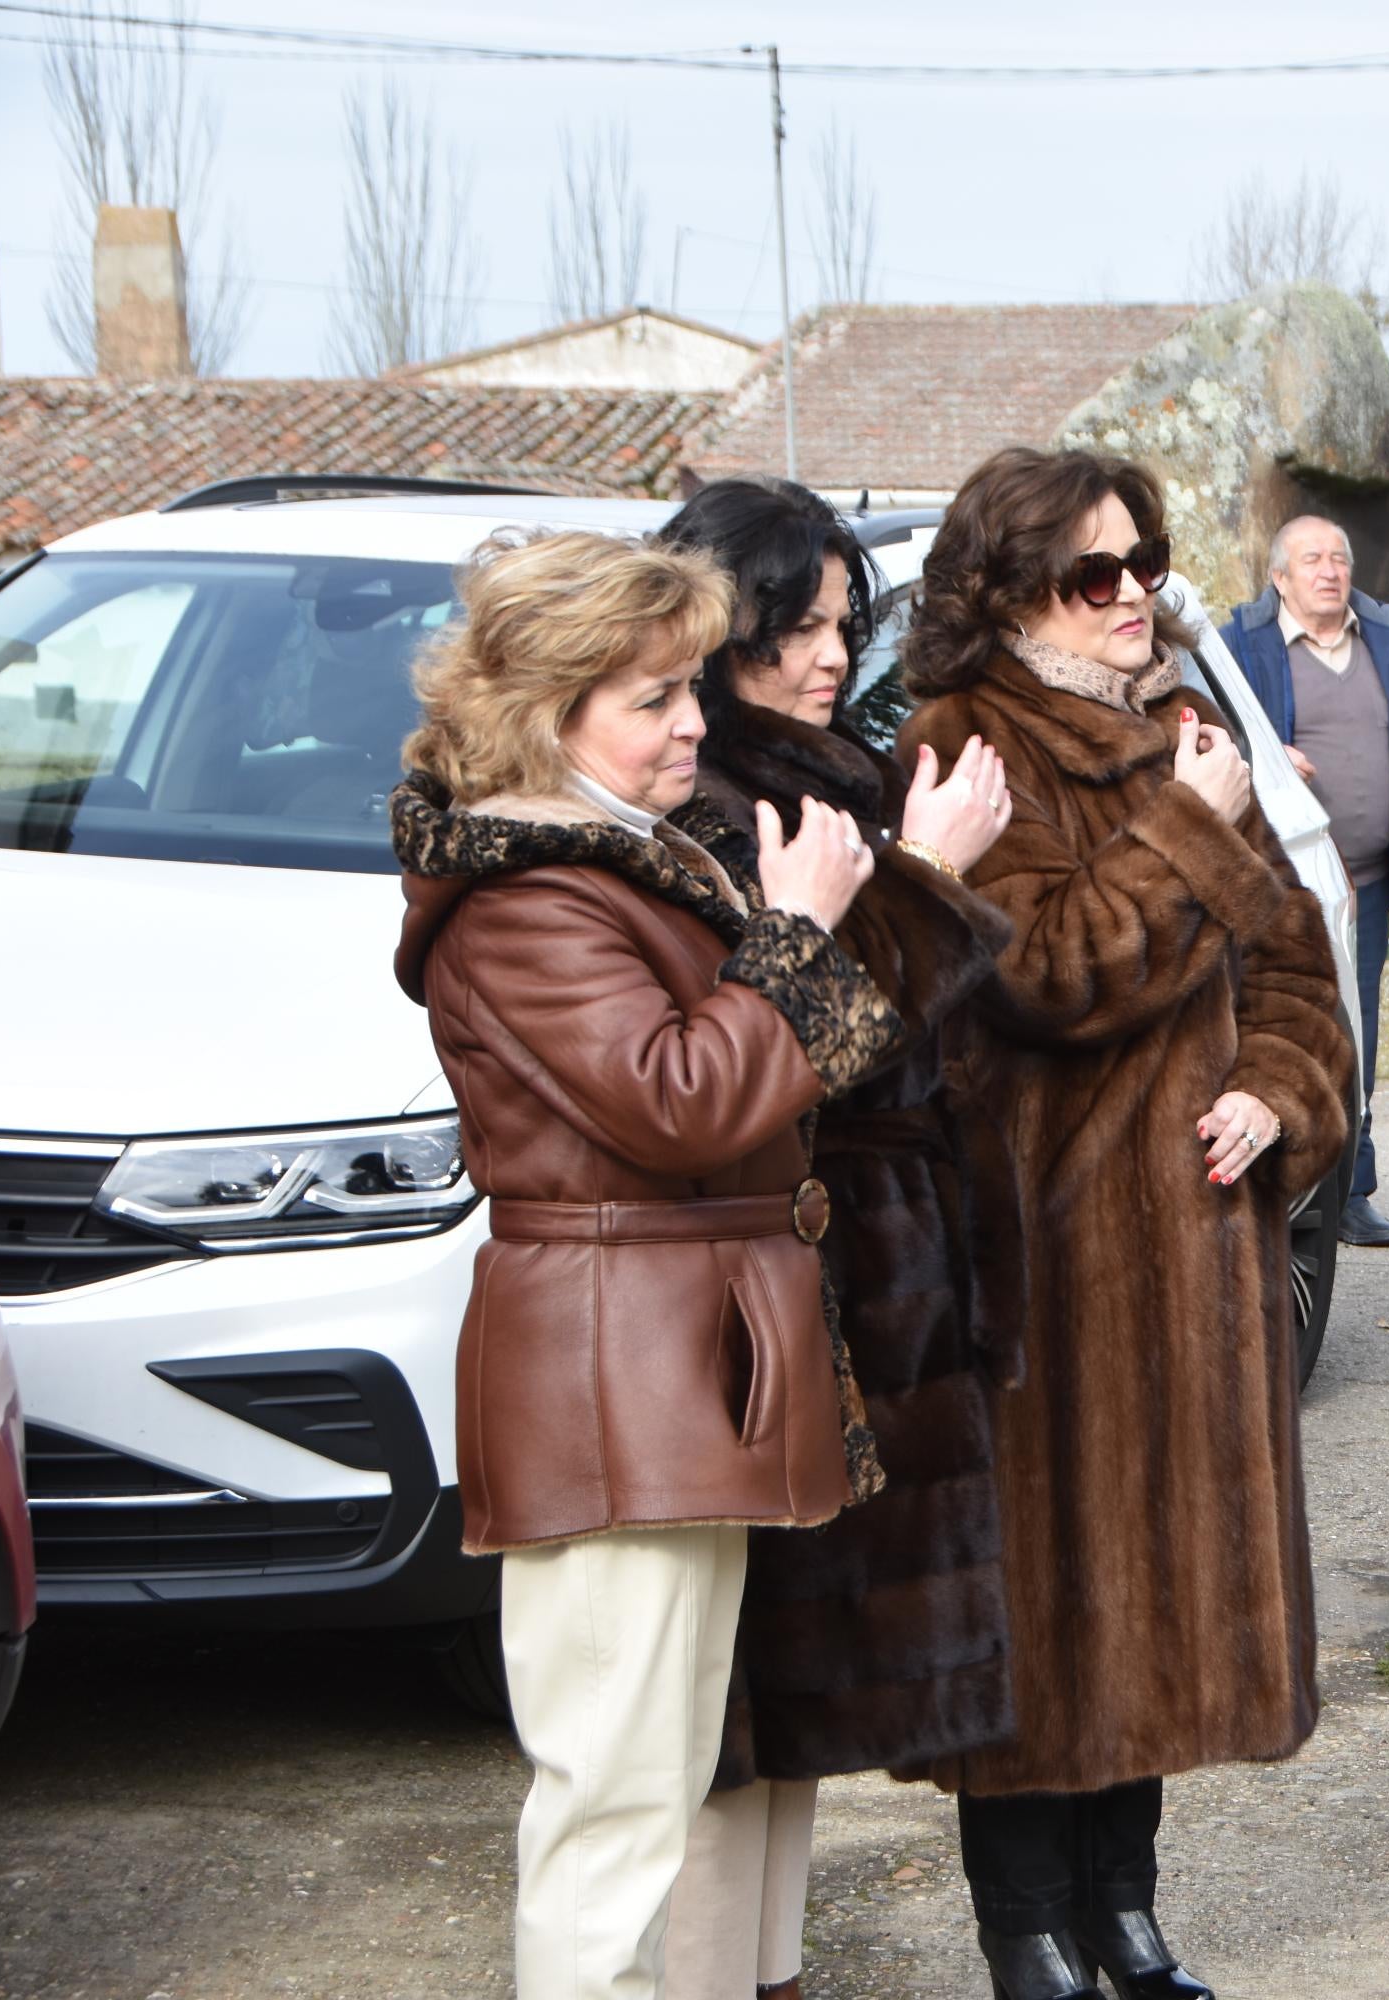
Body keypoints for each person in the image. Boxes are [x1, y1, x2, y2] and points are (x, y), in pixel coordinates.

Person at [389, 530, 899, 1999]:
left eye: (688, 687)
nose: (693, 721)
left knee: (651, 1793)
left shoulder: (617, 857)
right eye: (652, 696)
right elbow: (680, 1100)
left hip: (667, 1362)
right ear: (549, 713)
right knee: (613, 1815)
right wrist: (796, 932)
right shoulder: (528, 898)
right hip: (620, 1375)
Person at [896, 447, 1355, 2000]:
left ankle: (1128, 1912)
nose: (1131, 598)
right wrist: (1195, 832)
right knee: (1042, 1603)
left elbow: (1294, 968)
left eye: (1144, 563)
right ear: (1010, 591)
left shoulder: (1186, 734)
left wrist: (1281, 1092)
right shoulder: (963, 743)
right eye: (1096, 575)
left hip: (1193, 1245)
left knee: (1154, 1599)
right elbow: (1040, 976)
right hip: (1040, 1252)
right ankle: (1026, 1928)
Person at [648, 478, 1020, 2000]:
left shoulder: (829, 776)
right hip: (787, 1269)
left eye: (840, 622)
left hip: (870, 1268)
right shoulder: (709, 800)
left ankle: (774, 1973)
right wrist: (928, 880)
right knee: (733, 1714)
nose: (825, 651)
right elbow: (814, 1047)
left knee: (797, 1703)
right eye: (795, 622)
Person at [1221, 513, 1389, 1249]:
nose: (1330, 570)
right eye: (1311, 559)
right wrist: (1266, 753)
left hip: (1367, 884)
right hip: (1280, 881)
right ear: (1279, 577)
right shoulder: (1242, 646)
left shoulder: (1387, 639)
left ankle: (1351, 1190)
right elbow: (1211, 730)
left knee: (1361, 1035)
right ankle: (1287, 1186)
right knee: (1283, 1030)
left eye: (1340, 558)